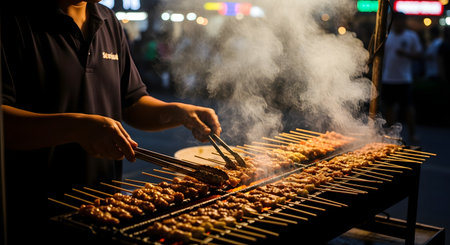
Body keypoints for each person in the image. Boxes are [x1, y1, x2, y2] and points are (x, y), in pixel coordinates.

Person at [0, 0, 221, 242]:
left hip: (104, 208)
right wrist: (77, 127)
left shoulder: (107, 21)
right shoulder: (13, 20)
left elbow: (132, 102)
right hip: (33, 212)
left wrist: (175, 112)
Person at [381, 12, 422, 144]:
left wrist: (406, 54)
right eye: (396, 21)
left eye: (401, 21)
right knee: (389, 108)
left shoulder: (411, 36)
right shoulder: (387, 37)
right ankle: (392, 135)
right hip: (388, 78)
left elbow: (419, 54)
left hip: (404, 79)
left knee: (409, 108)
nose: (399, 23)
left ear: (404, 22)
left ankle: (412, 134)